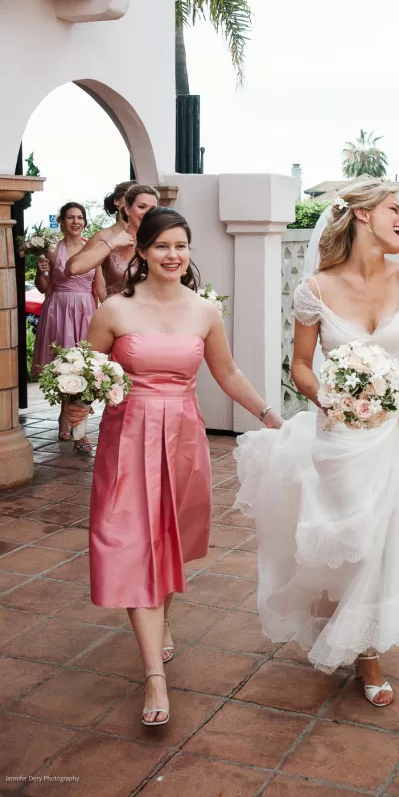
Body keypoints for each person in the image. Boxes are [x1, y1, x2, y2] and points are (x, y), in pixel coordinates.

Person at [235, 178, 399, 707]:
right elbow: (301, 366)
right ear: (361, 216)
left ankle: (367, 653)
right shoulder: (315, 289)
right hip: (338, 436)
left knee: (383, 536)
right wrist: (327, 397)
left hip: (394, 434)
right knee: (348, 538)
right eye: (395, 209)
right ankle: (345, 627)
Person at [68, 206, 282, 727]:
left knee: (168, 539)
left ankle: (162, 616)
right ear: (140, 252)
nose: (172, 254)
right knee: (130, 543)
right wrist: (75, 401)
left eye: (181, 245)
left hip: (183, 439)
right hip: (126, 440)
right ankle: (154, 679)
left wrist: (269, 414)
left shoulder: (204, 311)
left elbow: (227, 372)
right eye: (161, 245)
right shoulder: (114, 311)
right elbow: (84, 372)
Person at [32, 202, 106, 452]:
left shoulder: (92, 249)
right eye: (71, 217)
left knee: (83, 368)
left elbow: (100, 287)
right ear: (62, 221)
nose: (76, 221)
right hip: (59, 311)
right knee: (63, 366)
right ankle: (76, 430)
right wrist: (41, 272)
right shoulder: (52, 250)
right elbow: (44, 287)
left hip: (85, 311)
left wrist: (112, 311)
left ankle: (74, 427)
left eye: (80, 217)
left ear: (85, 222)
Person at [64, 183, 159, 297]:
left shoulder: (161, 242)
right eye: (142, 207)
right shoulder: (108, 239)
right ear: (127, 210)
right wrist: (111, 244)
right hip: (118, 312)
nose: (147, 213)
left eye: (152, 209)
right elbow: (72, 268)